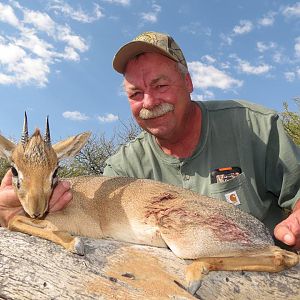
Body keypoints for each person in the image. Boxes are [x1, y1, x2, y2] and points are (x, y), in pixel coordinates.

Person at [0, 31, 299, 250]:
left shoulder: (255, 126)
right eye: (135, 94)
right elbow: (94, 221)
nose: (149, 102)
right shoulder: (122, 166)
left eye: (160, 85)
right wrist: (17, 207)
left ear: (188, 82)